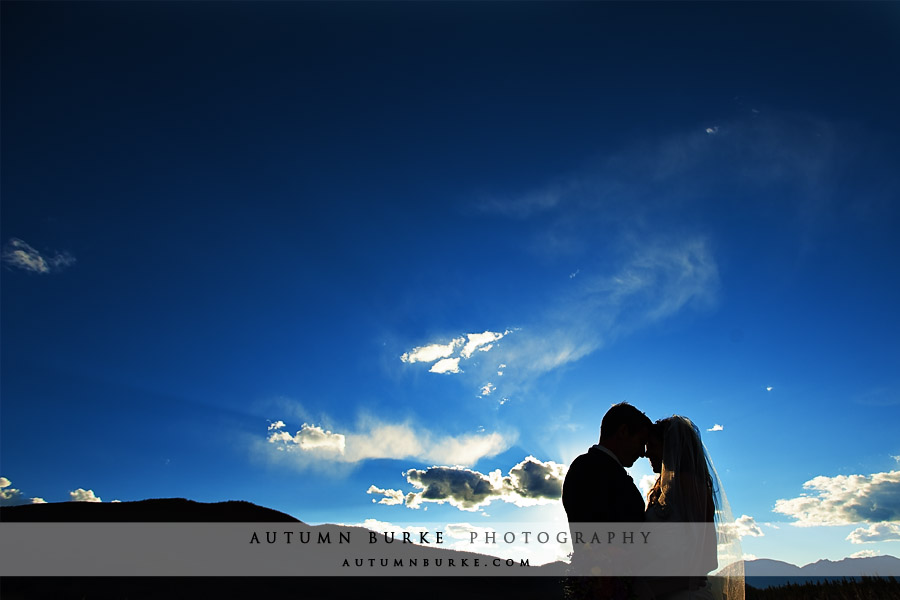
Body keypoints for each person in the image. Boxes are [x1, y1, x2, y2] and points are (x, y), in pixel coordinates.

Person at [642, 416, 742, 600]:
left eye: (652, 445)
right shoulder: (662, 490)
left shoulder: (689, 488)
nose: (647, 453)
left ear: (670, 448)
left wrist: (657, 587)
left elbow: (706, 556)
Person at [562, 402, 653, 599]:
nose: (643, 453)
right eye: (641, 441)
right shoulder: (589, 469)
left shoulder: (598, 468)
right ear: (623, 431)